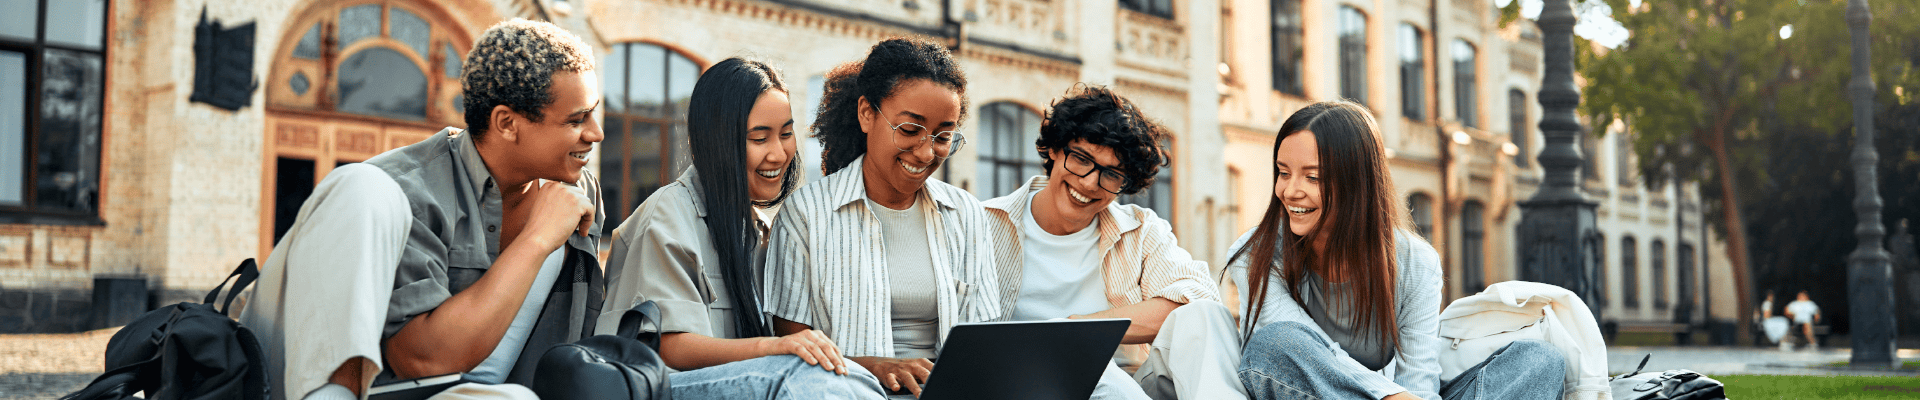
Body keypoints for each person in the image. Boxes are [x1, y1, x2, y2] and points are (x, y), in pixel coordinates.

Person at [241, 19, 606, 399]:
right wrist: (537, 239)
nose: (595, 133)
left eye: (593, 113)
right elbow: (420, 360)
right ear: (507, 123)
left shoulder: (576, 192)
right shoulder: (397, 193)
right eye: (577, 119)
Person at [1229, 101, 1565, 400]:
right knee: (1276, 344)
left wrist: (1403, 397)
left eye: (1312, 177)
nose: (1290, 191)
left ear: (1357, 182)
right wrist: (1393, 397)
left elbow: (1419, 379)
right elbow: (1309, 354)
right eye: (1283, 173)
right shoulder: (1253, 254)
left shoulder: (1415, 262)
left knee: (1539, 361)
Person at [596, 57, 886, 399]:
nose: (779, 154)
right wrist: (774, 348)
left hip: (743, 387)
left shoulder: (764, 230)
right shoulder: (667, 216)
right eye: (759, 138)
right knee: (800, 377)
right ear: (717, 141)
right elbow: (667, 347)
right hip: (663, 389)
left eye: (786, 134)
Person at [762, 37, 1002, 398]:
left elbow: (983, 343)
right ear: (866, 113)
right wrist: (875, 368)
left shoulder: (966, 214)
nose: (926, 153)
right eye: (909, 130)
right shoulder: (807, 215)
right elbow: (793, 357)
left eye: (943, 137)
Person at [980, 85, 1239, 400]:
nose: (1090, 182)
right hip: (1019, 385)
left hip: (1127, 382)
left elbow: (1198, 300)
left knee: (1206, 315)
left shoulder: (1140, 230)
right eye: (1081, 159)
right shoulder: (983, 225)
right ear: (1054, 149)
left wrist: (1076, 330)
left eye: (1112, 174)